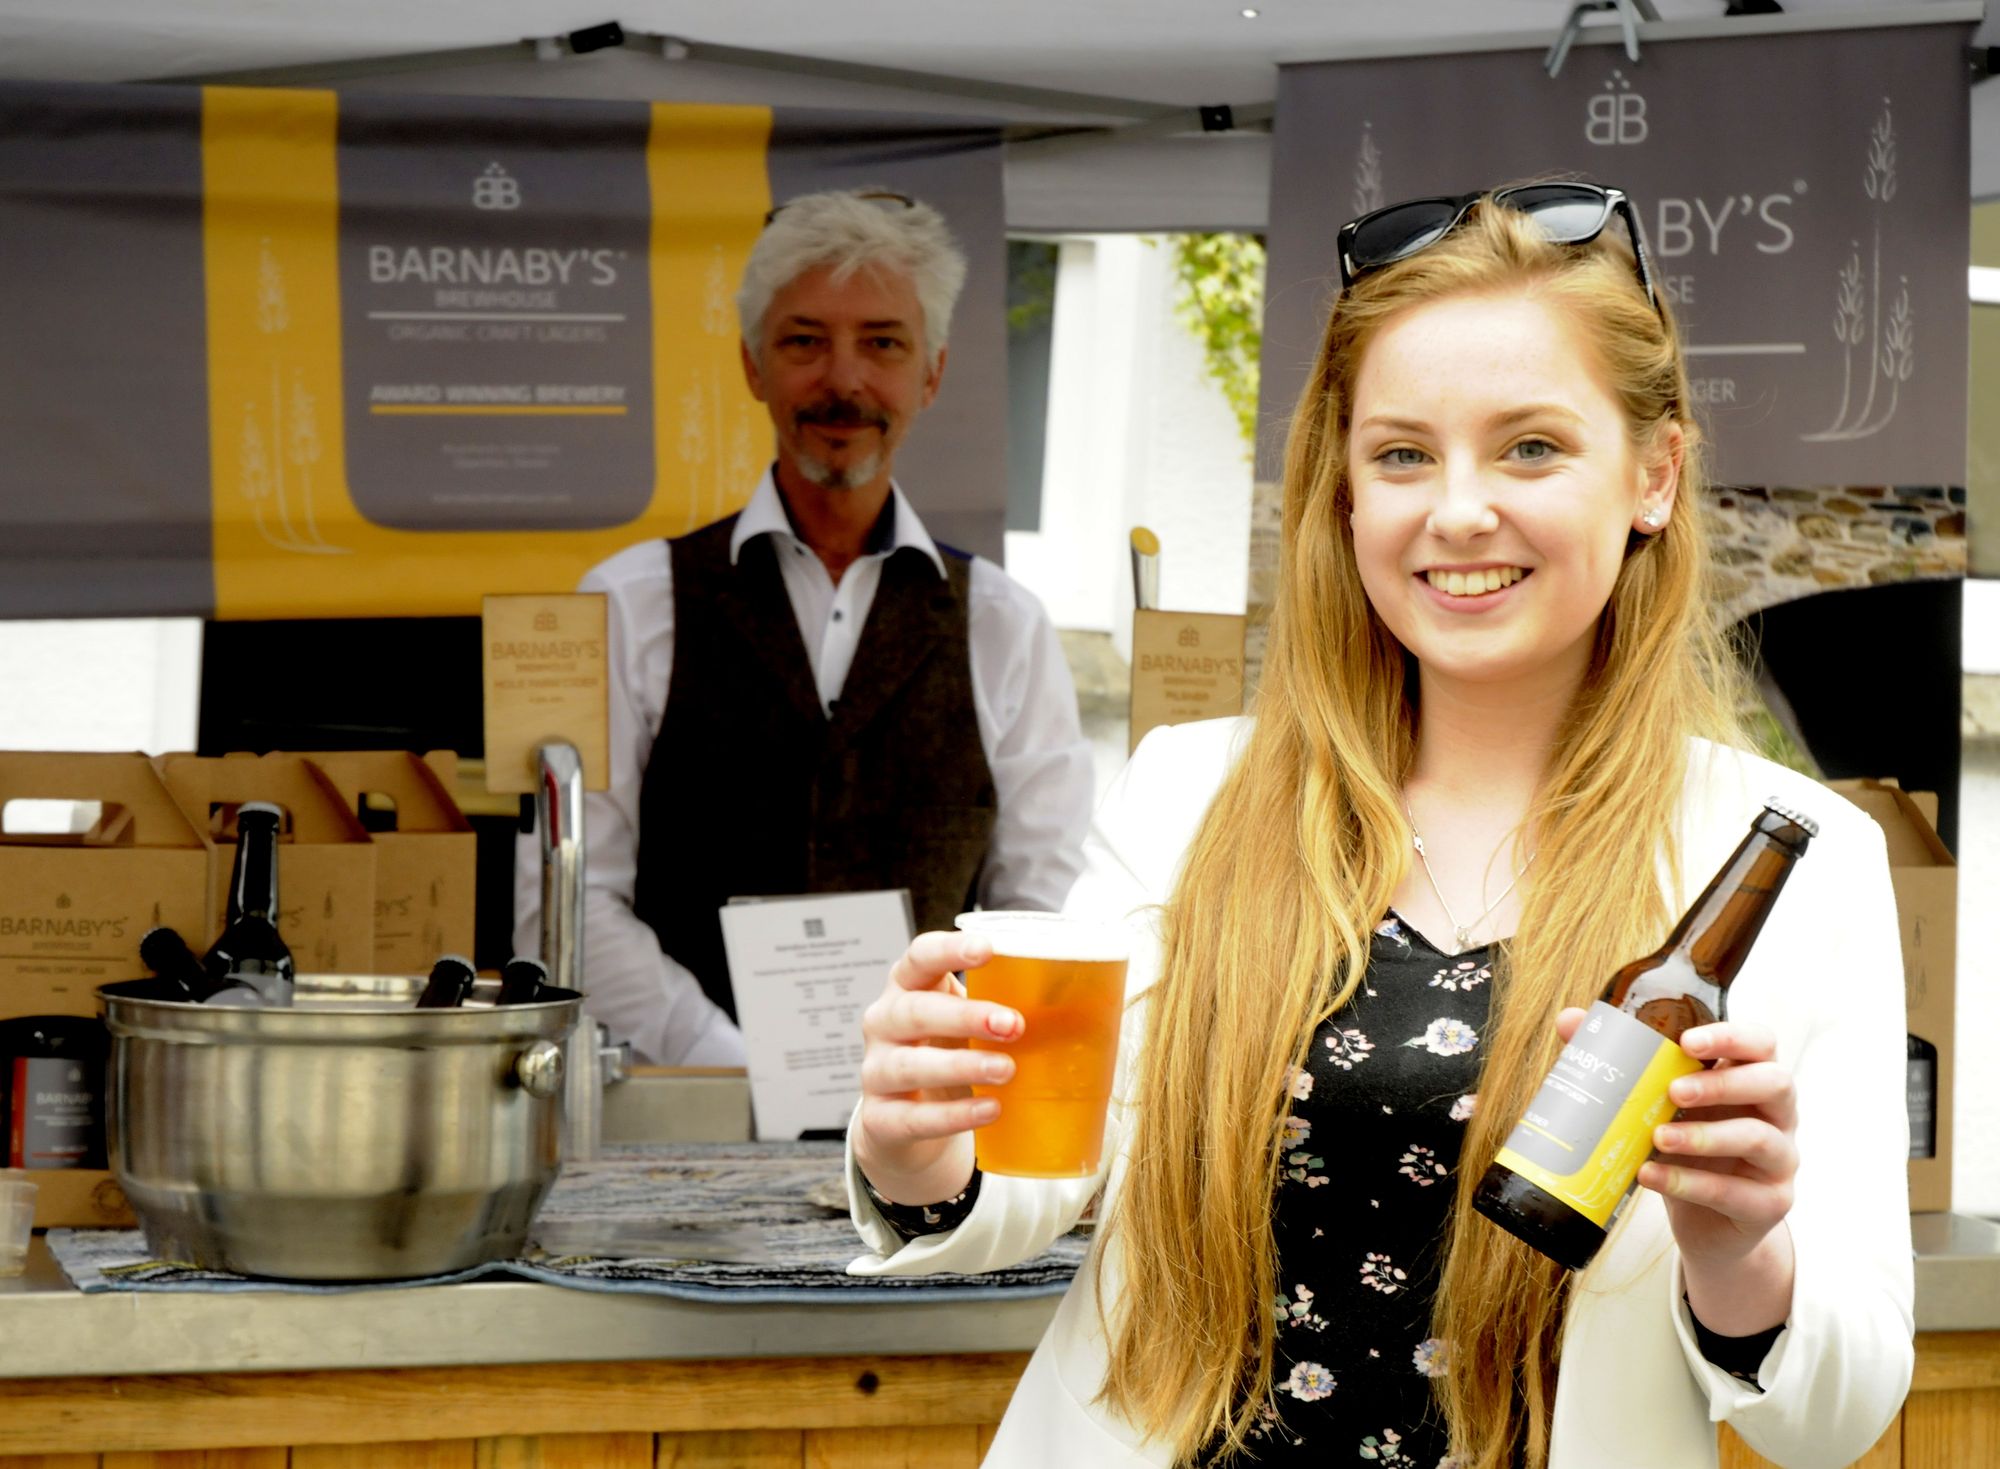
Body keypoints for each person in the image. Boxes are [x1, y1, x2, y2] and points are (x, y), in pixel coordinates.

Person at [844, 184, 1913, 1468]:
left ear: (1653, 474)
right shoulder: (1187, 792)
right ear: (1344, 492)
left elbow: (1838, 1419)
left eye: (1529, 447)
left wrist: (1738, 1250)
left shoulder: (1786, 859)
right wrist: (919, 1143)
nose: (1457, 510)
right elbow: (1031, 1171)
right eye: (1402, 454)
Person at [515, 189, 1092, 1066]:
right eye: (804, 341)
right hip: (686, 1109)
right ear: (754, 366)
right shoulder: (627, 603)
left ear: (932, 373)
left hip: (928, 1111)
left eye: (883, 343)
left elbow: (1042, 909)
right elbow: (564, 900)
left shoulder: (1006, 625)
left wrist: (928, 1057)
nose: (844, 380)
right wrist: (732, 1064)